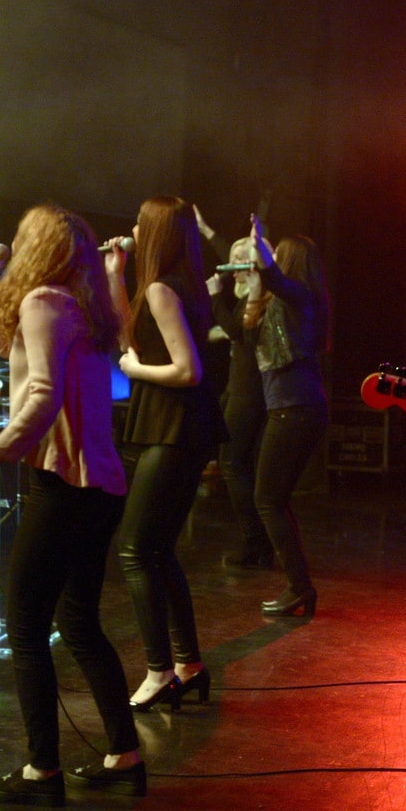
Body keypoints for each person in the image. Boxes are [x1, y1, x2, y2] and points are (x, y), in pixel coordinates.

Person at [0, 205, 143, 800]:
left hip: (64, 487)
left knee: (26, 627)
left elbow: (42, 397)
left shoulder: (45, 301)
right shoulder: (78, 305)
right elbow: (17, 354)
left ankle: (41, 772)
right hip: (100, 488)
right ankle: (124, 756)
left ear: (36, 248)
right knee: (78, 623)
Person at [110, 197, 227, 712]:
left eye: (140, 222)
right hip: (178, 427)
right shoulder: (175, 285)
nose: (133, 228)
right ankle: (188, 665)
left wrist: (136, 373)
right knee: (157, 550)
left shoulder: (163, 289)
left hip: (173, 426)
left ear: (156, 232)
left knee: (135, 549)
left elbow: (187, 369)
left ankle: (160, 671)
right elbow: (130, 336)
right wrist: (115, 275)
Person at [240, 218, 330, 616]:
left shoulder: (301, 297)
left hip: (296, 408)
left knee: (268, 500)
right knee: (272, 499)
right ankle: (299, 586)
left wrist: (260, 251)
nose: (272, 257)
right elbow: (247, 337)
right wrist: (252, 287)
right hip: (293, 407)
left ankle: (299, 587)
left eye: (277, 254)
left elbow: (276, 279)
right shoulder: (289, 301)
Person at [210, 234, 273, 568]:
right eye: (230, 258)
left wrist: (214, 298)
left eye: (238, 259)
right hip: (239, 387)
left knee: (233, 464)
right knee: (237, 464)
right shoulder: (249, 294)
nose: (230, 265)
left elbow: (239, 332)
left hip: (249, 391)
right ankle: (259, 543)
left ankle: (255, 542)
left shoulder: (259, 296)